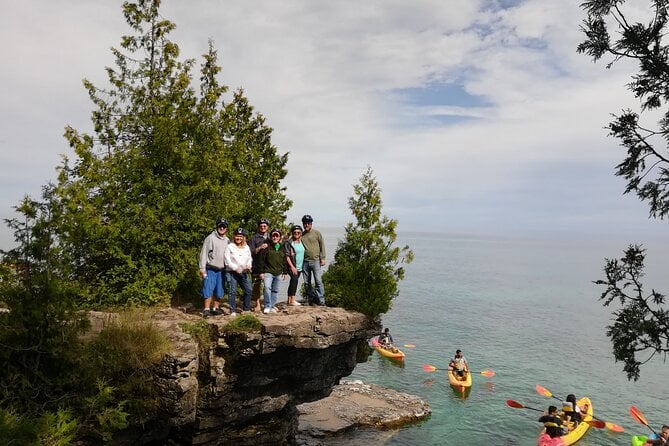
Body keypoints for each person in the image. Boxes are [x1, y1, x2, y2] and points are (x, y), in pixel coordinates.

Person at [198, 218, 229, 317]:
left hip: (221, 269)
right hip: (210, 268)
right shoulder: (210, 238)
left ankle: (215, 308)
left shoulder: (227, 240)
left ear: (226, 228)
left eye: (224, 226)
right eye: (220, 226)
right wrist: (202, 269)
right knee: (208, 288)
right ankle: (206, 309)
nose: (222, 228)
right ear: (217, 226)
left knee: (219, 290)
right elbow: (204, 253)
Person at [258, 228, 288, 314]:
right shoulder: (267, 247)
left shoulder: (282, 248)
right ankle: (267, 306)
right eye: (273, 235)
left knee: (275, 290)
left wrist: (285, 272)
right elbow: (261, 260)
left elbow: (284, 260)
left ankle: (272, 306)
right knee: (267, 288)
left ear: (279, 237)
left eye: (277, 235)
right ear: (271, 237)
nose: (275, 237)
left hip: (278, 272)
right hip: (268, 272)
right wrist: (261, 272)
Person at [224, 228, 253, 317]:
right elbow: (227, 260)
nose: (239, 238)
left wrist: (249, 266)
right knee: (232, 291)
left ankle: (246, 309)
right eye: (237, 236)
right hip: (233, 272)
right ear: (234, 236)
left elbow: (249, 258)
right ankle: (232, 310)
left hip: (243, 272)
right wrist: (235, 268)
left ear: (243, 237)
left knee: (248, 290)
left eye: (241, 236)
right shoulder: (230, 247)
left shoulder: (246, 247)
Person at [300, 214, 326, 306]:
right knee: (307, 282)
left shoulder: (317, 233)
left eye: (308, 223)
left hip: (316, 261)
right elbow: (292, 241)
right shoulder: (301, 235)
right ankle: (309, 299)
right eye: (305, 223)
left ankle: (321, 300)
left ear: (311, 223)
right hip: (305, 262)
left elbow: (322, 245)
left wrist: (323, 258)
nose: (306, 225)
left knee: (318, 281)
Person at [249, 218, 270, 312]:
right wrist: (260, 247)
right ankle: (257, 304)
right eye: (261, 226)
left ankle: (268, 304)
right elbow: (251, 252)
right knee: (256, 285)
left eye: (265, 226)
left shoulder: (271, 237)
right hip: (257, 265)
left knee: (268, 285)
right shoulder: (254, 238)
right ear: (258, 227)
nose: (263, 227)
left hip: (269, 265)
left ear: (268, 227)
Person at [285, 224, 304, 306]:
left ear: (301, 233)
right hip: (292, 266)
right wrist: (292, 267)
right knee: (294, 281)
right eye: (295, 232)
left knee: (293, 282)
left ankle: (289, 300)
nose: (296, 233)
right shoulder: (289, 243)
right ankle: (293, 299)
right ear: (292, 233)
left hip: (300, 266)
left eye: (298, 232)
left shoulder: (302, 242)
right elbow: (287, 256)